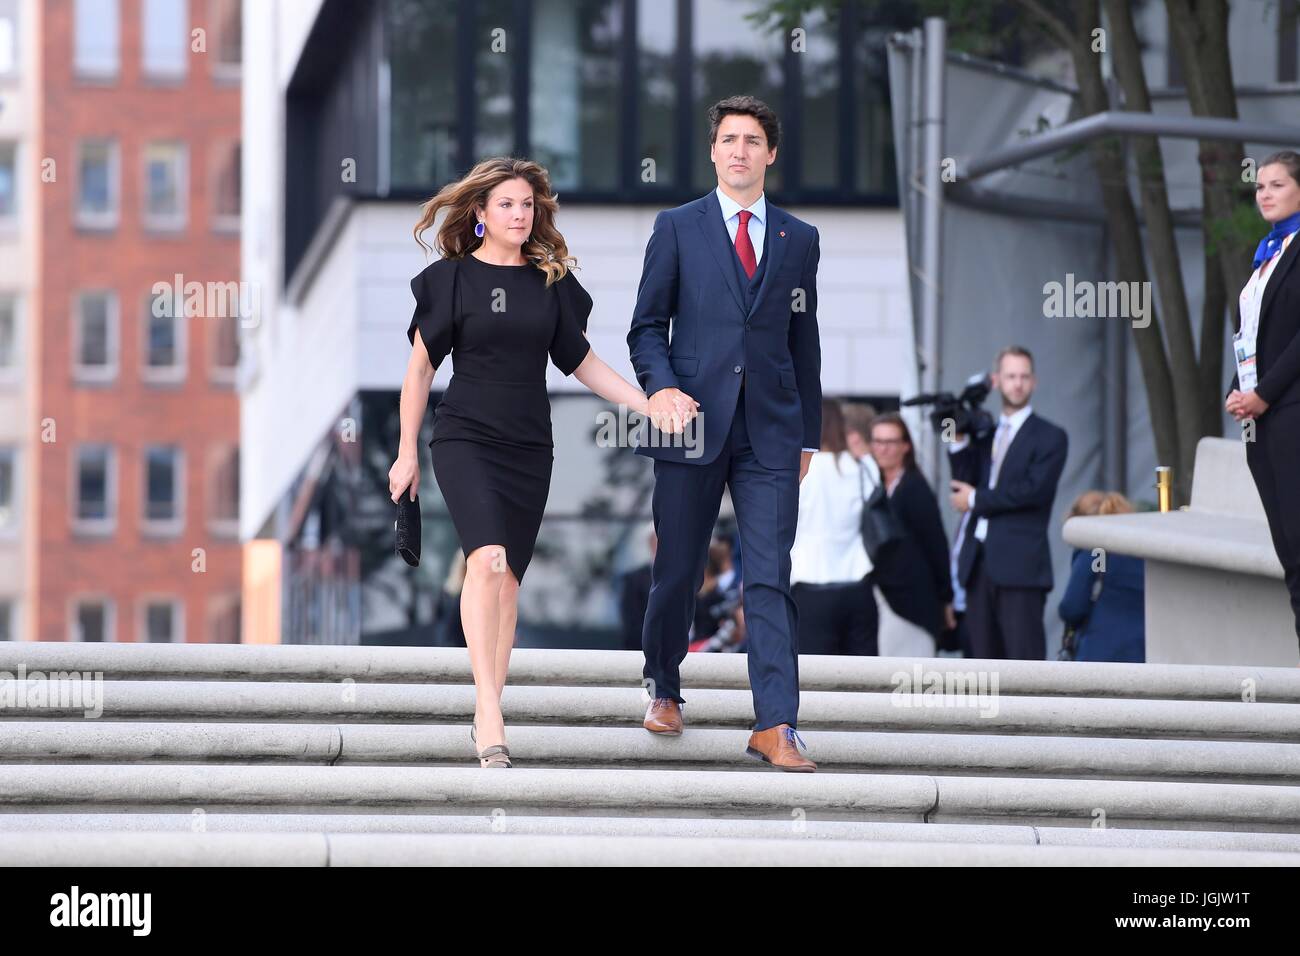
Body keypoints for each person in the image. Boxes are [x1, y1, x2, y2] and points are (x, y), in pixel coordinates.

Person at [388, 157, 673, 768]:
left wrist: (644, 403)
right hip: (465, 437)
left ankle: (490, 701)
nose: (520, 215)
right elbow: (419, 371)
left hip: (529, 447)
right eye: (508, 205)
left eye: (528, 205)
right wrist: (406, 450)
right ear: (481, 215)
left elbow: (583, 362)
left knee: (509, 581)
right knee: (485, 561)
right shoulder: (451, 280)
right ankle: (488, 710)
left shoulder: (551, 284)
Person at [628, 95, 823, 771]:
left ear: (770, 154)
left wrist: (808, 437)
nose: (739, 150)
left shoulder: (800, 239)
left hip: (771, 431)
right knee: (678, 567)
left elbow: (805, 342)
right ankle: (664, 686)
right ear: (713, 152)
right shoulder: (677, 227)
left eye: (752, 140)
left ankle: (776, 724)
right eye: (728, 139)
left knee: (769, 576)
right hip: (690, 424)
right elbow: (646, 327)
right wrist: (661, 388)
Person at [947, 346, 1068, 660]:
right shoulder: (985, 433)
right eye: (1011, 376)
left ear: (1034, 382)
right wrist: (956, 435)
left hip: (1021, 567)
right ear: (997, 380)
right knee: (980, 666)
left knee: (1024, 664)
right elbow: (962, 480)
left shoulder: (1050, 436)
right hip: (977, 565)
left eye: (1024, 377)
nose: (1018, 383)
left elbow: (1032, 491)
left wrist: (975, 498)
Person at [1226, 149, 1300, 655]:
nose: (1265, 194)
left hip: (1290, 411)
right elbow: (1251, 335)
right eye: (1260, 187)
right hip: (1263, 423)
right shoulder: (1265, 254)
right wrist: (1238, 392)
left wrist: (1264, 394)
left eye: (1276, 185)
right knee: (1291, 556)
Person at [791, 400, 880, 656]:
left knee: (814, 678)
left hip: (809, 583)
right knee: (862, 678)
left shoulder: (798, 472)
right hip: (858, 583)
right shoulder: (863, 468)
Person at [868, 412, 954, 656]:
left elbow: (936, 544)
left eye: (890, 442)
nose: (883, 449)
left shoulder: (914, 488)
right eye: (877, 441)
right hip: (882, 597)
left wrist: (945, 597)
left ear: (905, 446)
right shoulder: (874, 486)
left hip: (912, 601)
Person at [1057, 491, 1145, 662]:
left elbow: (1073, 607)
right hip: (1144, 652)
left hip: (1100, 652)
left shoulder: (1097, 552)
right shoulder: (1143, 551)